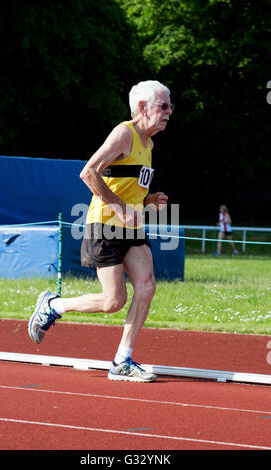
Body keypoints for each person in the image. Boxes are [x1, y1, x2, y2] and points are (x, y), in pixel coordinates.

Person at [28, 80, 173, 382]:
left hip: (131, 227)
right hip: (104, 225)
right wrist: (120, 207)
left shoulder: (150, 144)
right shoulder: (125, 133)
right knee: (113, 302)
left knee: (146, 287)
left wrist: (148, 199)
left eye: (170, 106)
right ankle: (54, 305)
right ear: (143, 108)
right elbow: (89, 172)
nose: (169, 111)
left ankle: (122, 360)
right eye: (164, 106)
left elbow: (126, 186)